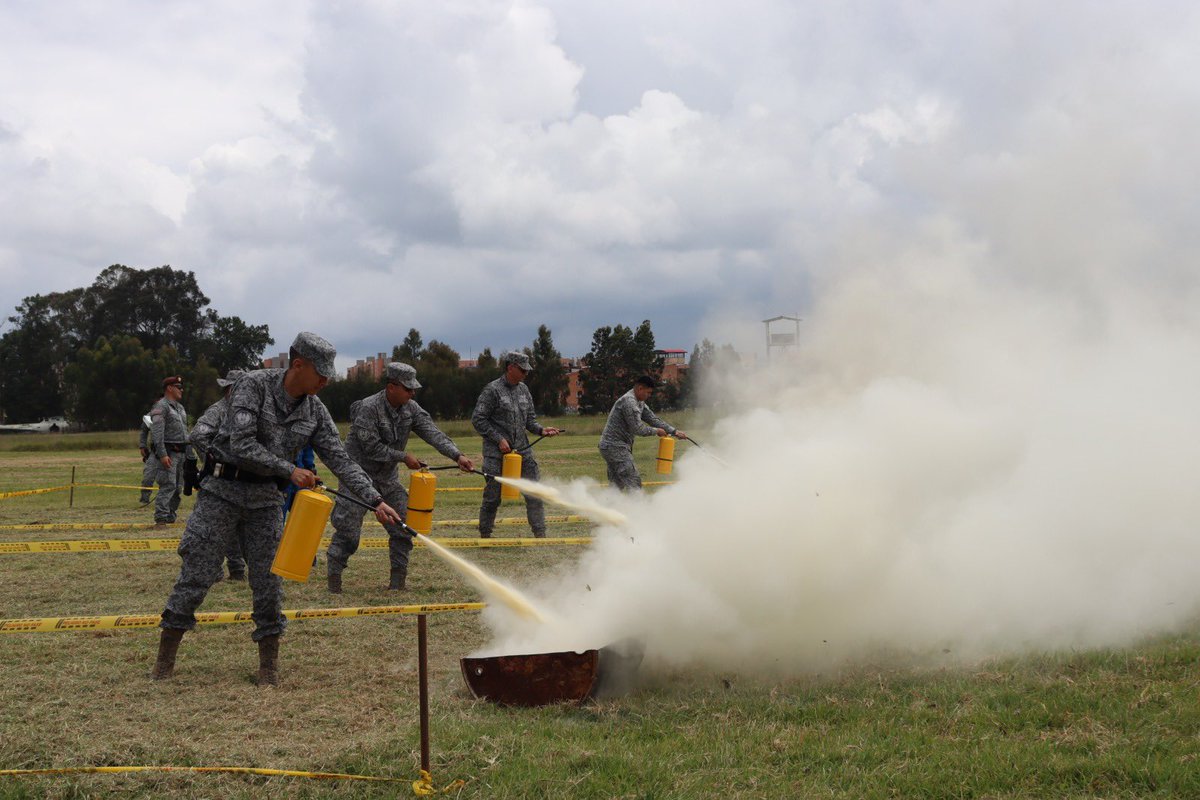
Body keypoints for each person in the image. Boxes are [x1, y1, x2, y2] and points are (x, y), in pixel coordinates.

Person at [152, 333, 402, 687]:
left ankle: (268, 667)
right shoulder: (253, 386)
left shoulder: (315, 410)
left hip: (265, 501)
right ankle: (165, 661)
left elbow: (342, 461)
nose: (326, 381)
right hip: (222, 492)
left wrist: (376, 500)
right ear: (298, 364)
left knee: (269, 584)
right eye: (321, 373)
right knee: (198, 573)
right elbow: (241, 444)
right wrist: (289, 470)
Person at [326, 363, 474, 593]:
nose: (412, 393)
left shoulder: (411, 409)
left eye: (414, 389)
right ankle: (334, 580)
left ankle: (397, 583)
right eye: (408, 388)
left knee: (404, 527)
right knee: (348, 533)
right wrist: (403, 456)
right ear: (391, 387)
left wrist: (457, 455)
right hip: (357, 478)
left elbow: (432, 432)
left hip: (387, 480)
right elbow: (371, 448)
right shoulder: (368, 408)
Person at [471, 351, 560, 538]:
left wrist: (542, 430)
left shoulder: (524, 390)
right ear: (510, 367)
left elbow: (530, 421)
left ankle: (540, 533)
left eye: (527, 371)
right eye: (522, 370)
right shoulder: (492, 390)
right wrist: (498, 439)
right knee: (492, 497)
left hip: (522, 451)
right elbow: (478, 419)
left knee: (534, 491)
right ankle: (485, 534)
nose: (526, 374)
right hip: (496, 454)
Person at [190, 369, 248, 580]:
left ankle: (239, 569)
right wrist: (214, 461)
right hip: (221, 480)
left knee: (241, 525)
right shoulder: (219, 410)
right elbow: (197, 436)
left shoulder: (245, 411)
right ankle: (224, 570)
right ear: (231, 389)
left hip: (243, 481)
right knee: (218, 527)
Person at [598, 375, 687, 491]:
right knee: (634, 482)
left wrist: (674, 431)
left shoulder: (639, 402)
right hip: (615, 446)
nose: (649, 396)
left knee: (616, 486)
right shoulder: (629, 402)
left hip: (612, 446)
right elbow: (638, 428)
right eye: (648, 393)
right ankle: (638, 508)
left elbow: (653, 419)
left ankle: (607, 507)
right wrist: (656, 431)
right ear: (640, 389)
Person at [149, 376, 195, 527]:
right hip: (169, 453)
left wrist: (190, 453)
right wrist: (162, 454)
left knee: (178, 488)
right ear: (169, 388)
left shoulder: (180, 408)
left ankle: (170, 516)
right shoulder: (161, 406)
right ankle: (161, 519)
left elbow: (185, 433)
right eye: (178, 386)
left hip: (181, 453)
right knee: (168, 485)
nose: (181, 389)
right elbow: (157, 433)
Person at [138, 405, 157, 505]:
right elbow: (144, 431)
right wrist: (142, 446)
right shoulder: (151, 415)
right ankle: (144, 499)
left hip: (172, 452)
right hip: (155, 453)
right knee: (148, 477)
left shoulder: (176, 414)